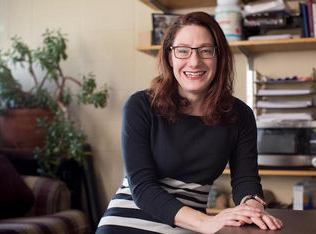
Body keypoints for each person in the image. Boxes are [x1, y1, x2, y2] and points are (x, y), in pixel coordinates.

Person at [95, 11, 283, 234]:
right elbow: (143, 188)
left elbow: (245, 180)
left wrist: (253, 208)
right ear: (169, 57)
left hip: (188, 227)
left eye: (205, 51)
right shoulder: (140, 105)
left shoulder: (240, 115)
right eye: (183, 51)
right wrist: (206, 222)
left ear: (219, 57)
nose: (194, 62)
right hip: (127, 222)